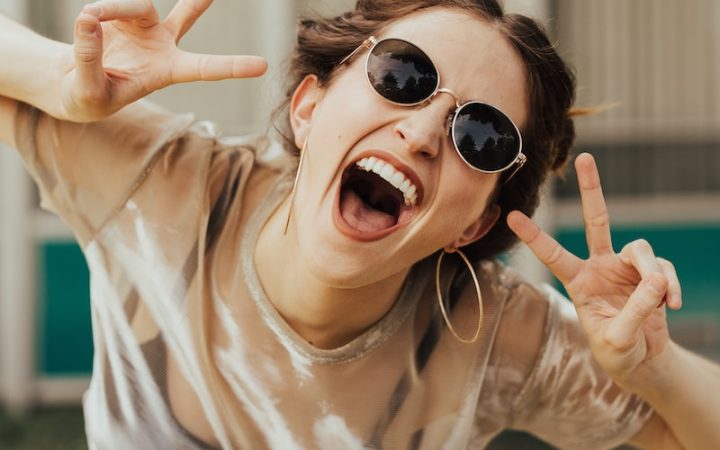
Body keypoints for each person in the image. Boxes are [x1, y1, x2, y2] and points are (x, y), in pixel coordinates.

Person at [0, 0, 718, 449]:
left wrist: (655, 370)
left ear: (474, 224)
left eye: (482, 137)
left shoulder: (494, 333)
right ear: (309, 108)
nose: (423, 133)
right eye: (403, 76)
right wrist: (57, 79)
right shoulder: (162, 183)